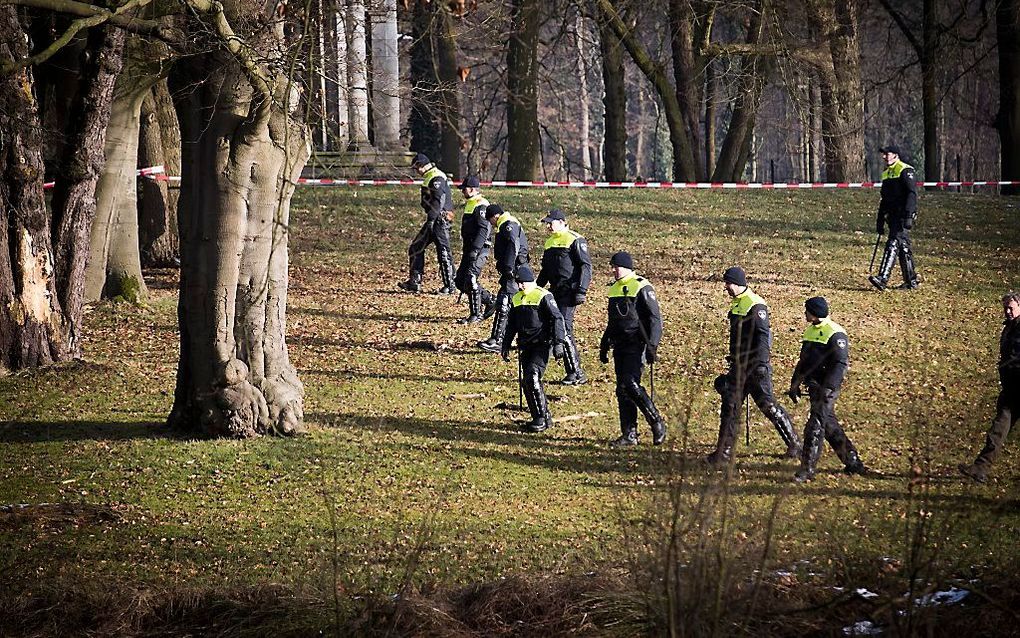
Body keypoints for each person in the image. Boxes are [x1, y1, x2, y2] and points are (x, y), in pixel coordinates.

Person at [706, 266, 801, 466]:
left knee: (768, 406)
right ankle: (724, 453)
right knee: (730, 407)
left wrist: (759, 365)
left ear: (738, 283)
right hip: (739, 365)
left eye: (728, 283)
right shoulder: (737, 304)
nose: (726, 287)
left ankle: (795, 444)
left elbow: (763, 338)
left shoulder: (756, 305)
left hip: (755, 367)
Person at [787, 297, 867, 482]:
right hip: (814, 386)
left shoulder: (835, 333)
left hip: (826, 388)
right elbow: (804, 362)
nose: (804, 313)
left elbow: (840, 363)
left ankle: (807, 470)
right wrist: (795, 383)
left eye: (806, 310)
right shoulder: (810, 332)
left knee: (814, 426)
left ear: (814, 312)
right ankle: (853, 461)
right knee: (828, 424)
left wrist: (829, 388)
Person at [599, 251, 666, 447]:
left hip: (637, 344)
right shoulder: (614, 290)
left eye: (615, 266)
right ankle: (629, 434)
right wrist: (605, 343)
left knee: (631, 384)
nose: (613, 270)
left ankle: (657, 422)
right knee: (622, 389)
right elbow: (613, 321)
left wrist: (653, 345)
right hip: (619, 344)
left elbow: (655, 319)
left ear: (626, 266)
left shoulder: (642, 286)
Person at [959, 292, 1020, 483]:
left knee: (999, 429)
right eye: (1005, 308)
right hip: (1011, 391)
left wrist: (1006, 369)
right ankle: (980, 468)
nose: (1008, 311)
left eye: (1011, 307)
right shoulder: (1010, 328)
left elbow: (1015, 359)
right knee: (998, 430)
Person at [501, 265, 566, 433]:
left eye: (523, 283)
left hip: (542, 344)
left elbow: (557, 318)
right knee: (527, 382)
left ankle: (540, 418)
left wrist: (558, 343)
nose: (520, 286)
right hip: (526, 345)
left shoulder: (544, 296)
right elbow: (512, 325)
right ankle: (542, 416)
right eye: (518, 283)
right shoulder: (516, 298)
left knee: (532, 376)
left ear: (531, 281)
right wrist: (506, 344)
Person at [536, 209, 592, 385]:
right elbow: (546, 270)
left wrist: (581, 290)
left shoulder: (575, 239)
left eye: (551, 223)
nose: (548, 226)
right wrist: (536, 287)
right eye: (546, 223)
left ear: (562, 222)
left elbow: (585, 267)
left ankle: (576, 372)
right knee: (553, 325)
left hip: (570, 292)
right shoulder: (549, 243)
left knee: (565, 328)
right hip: (555, 291)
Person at [398, 153, 456, 294]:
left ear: (421, 165)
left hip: (439, 220)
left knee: (443, 252)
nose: (416, 171)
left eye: (416, 168)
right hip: (434, 219)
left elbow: (438, 201)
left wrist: (431, 219)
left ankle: (450, 285)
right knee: (416, 247)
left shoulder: (436, 177)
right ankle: (414, 283)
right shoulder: (430, 176)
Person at [478, 204, 530, 353]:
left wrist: (508, 268)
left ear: (494, 216)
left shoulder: (508, 225)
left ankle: (498, 340)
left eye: (490, 220)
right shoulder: (506, 224)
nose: (491, 224)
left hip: (514, 270)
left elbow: (514, 245)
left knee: (505, 303)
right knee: (511, 304)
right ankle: (517, 339)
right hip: (514, 269)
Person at [868, 144, 919, 291]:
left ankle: (883, 278)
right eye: (883, 154)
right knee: (903, 247)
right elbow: (884, 199)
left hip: (902, 215)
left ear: (896, 155)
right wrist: (880, 219)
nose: (884, 157)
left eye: (887, 154)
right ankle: (911, 281)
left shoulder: (905, 170)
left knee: (893, 242)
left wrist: (909, 215)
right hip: (892, 216)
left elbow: (912, 194)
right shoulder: (886, 173)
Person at [453, 176, 496, 323]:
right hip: (469, 248)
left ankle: (475, 314)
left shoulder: (481, 205)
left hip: (479, 249)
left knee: (470, 279)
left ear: (471, 189)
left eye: (464, 189)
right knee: (460, 281)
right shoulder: (471, 204)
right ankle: (490, 300)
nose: (462, 192)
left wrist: (475, 250)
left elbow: (484, 230)